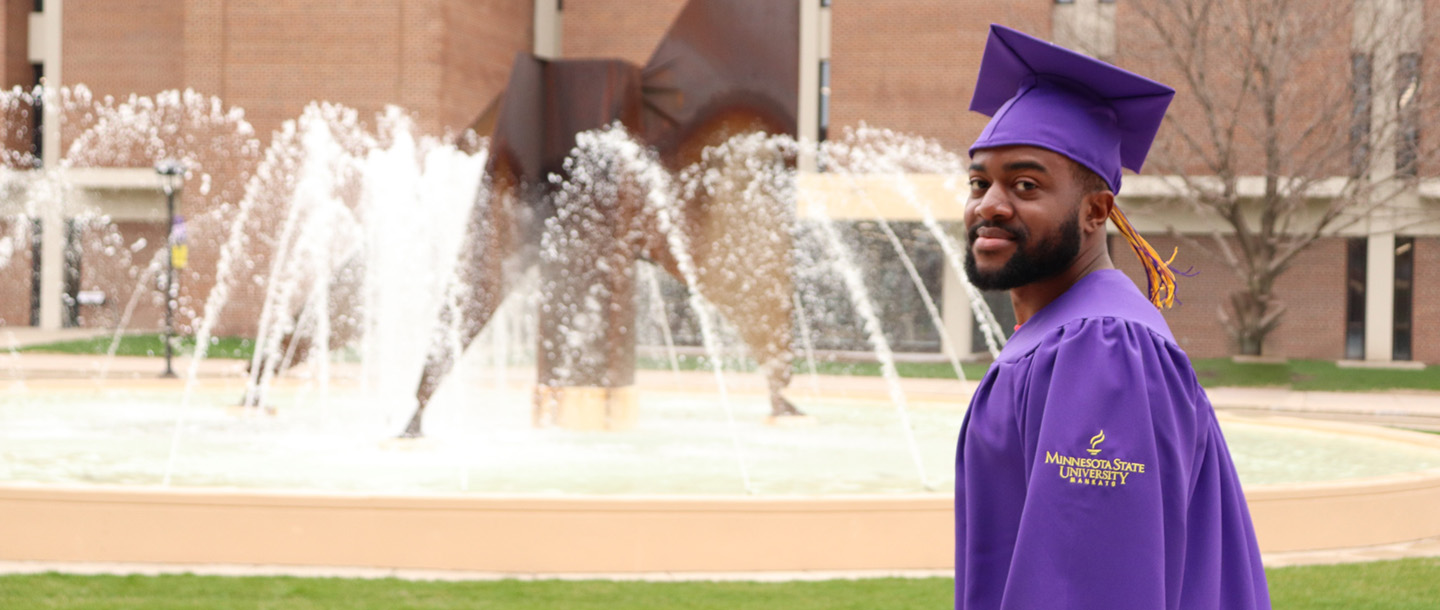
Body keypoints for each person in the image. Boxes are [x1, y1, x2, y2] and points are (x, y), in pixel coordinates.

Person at [954, 25, 1271, 609]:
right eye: (980, 182)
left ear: (1096, 211)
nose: (989, 205)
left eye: (1025, 184)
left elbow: (1089, 587)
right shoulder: (1066, 331)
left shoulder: (1101, 347)